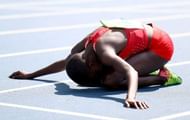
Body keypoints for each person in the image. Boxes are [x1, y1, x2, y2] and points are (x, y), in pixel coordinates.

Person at [9, 19, 182, 110]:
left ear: (91, 64)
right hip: (145, 39)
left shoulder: (104, 51)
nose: (98, 76)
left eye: (95, 74)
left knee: (111, 81)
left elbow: (131, 72)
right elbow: (65, 63)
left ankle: (163, 77)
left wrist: (130, 97)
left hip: (160, 47)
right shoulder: (80, 50)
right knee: (109, 75)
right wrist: (31, 75)